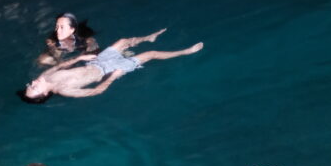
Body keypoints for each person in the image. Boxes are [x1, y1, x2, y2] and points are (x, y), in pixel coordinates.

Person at [22, 29, 202, 103]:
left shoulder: (46, 76)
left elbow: (63, 64)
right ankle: (185, 52)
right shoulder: (65, 91)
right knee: (150, 54)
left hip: (95, 62)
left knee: (123, 41)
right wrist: (113, 77)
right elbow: (95, 91)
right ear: (44, 94)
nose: (32, 84)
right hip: (107, 71)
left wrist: (79, 59)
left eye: (30, 86)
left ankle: (148, 38)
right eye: (33, 89)